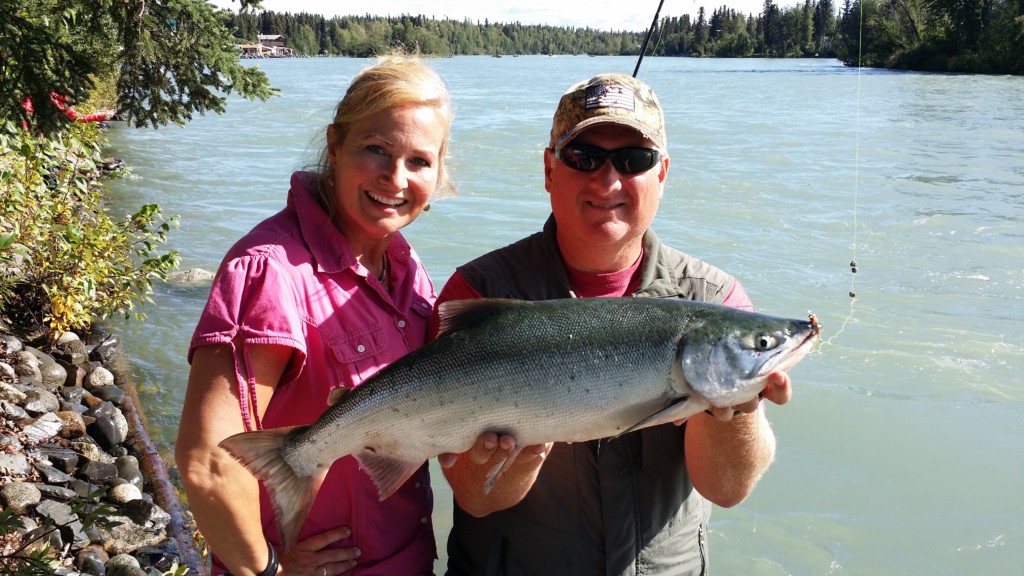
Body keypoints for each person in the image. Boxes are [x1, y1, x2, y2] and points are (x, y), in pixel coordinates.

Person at [429, 73, 794, 575]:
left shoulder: (717, 300)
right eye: (583, 157)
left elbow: (728, 490)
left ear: (662, 173)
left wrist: (736, 410)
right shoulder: (477, 293)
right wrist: (525, 447)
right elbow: (476, 498)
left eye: (633, 160)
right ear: (548, 169)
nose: (607, 181)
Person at [176, 55, 454, 576]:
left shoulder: (407, 268)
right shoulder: (269, 271)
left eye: (419, 161)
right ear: (334, 145)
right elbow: (209, 462)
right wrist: (269, 568)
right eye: (376, 149)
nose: (396, 178)